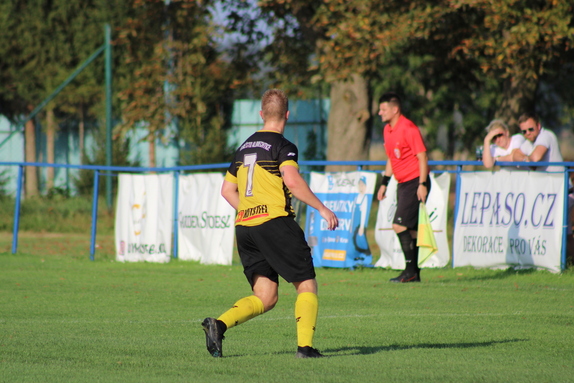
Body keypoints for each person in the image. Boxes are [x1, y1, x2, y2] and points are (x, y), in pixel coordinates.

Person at [202, 89, 339, 359]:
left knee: (266, 296)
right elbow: (291, 180)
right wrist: (322, 208)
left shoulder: (243, 148)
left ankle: (219, 325)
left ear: (261, 114)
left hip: (245, 227)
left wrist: (251, 211)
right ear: (287, 115)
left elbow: (227, 190)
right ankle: (305, 348)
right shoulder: (283, 147)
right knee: (306, 284)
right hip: (274, 223)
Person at [376, 92, 430, 283]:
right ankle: (414, 273)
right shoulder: (387, 130)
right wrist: (384, 183)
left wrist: (422, 184)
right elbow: (392, 157)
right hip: (402, 183)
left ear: (395, 109)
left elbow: (422, 157)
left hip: (415, 182)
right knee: (412, 230)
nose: (379, 112)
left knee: (399, 225)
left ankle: (409, 271)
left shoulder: (408, 128)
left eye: (383, 109)